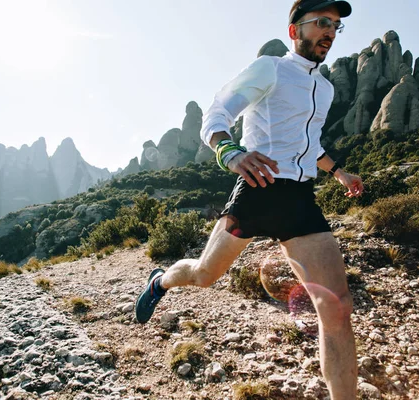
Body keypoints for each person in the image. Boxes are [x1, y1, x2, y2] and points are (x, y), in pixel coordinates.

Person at [136, 1, 363, 398]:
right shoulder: (271, 68)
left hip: (299, 201)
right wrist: (231, 153)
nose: (330, 31)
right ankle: (162, 280)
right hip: (257, 192)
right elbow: (218, 111)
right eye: (322, 22)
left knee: (337, 307)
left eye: (336, 26)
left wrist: (338, 170)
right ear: (295, 31)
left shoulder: (324, 88)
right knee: (205, 276)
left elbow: (309, 142)